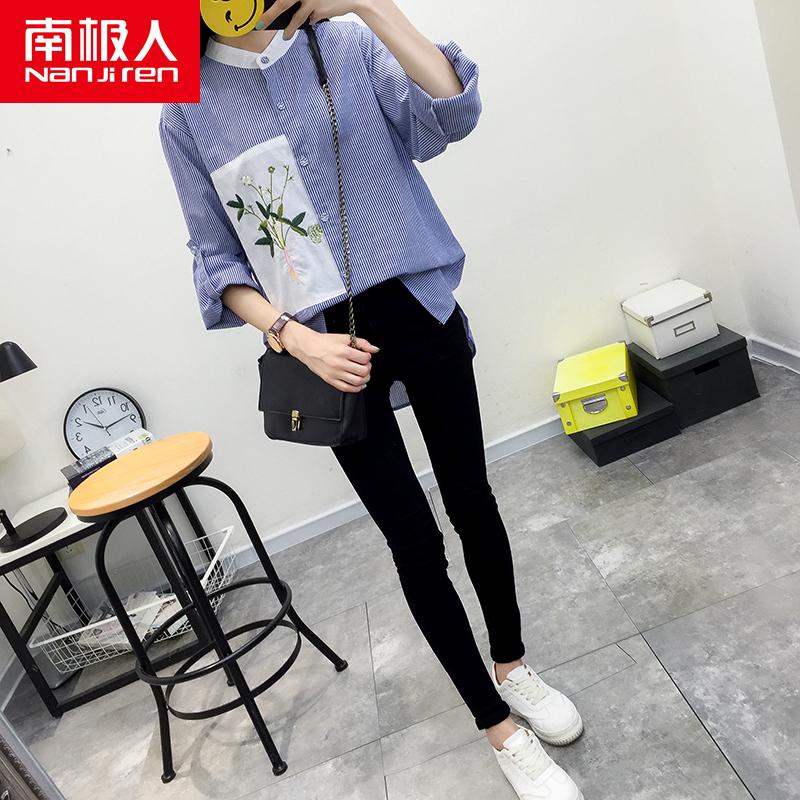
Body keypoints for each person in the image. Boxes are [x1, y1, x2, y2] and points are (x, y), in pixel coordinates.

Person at [159, 2, 585, 797]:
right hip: (324, 350)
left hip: (420, 309)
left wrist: (368, 3)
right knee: (413, 541)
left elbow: (451, 110)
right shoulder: (185, 109)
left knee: (472, 500)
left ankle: (513, 665)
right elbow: (216, 259)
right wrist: (294, 336)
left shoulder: (347, 43)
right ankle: (496, 725)